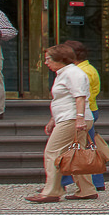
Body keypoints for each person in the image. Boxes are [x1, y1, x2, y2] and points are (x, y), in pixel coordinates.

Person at [25, 43, 92, 203]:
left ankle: (52, 191)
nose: (46, 62)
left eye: (48, 59)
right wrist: (52, 120)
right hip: (69, 117)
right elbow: (62, 99)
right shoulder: (64, 73)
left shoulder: (73, 73)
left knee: (52, 152)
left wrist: (79, 118)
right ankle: (86, 189)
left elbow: (80, 97)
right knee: (76, 153)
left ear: (60, 59)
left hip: (72, 119)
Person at [58, 39, 107, 196]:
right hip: (90, 111)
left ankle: (62, 181)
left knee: (76, 148)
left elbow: (81, 96)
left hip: (84, 112)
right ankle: (96, 181)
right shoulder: (87, 68)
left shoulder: (80, 71)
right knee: (87, 148)